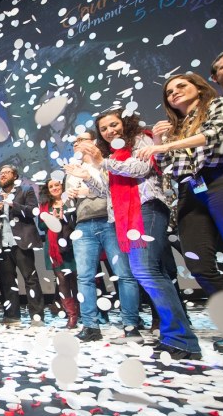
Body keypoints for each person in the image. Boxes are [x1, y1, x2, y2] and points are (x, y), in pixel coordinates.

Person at [75, 109, 201, 358]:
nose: (111, 131)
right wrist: (88, 178)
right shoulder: (110, 156)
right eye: (104, 129)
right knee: (149, 272)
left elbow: (140, 168)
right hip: (123, 217)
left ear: (125, 124)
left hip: (147, 209)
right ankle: (174, 335)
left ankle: (182, 339)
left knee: (146, 271)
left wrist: (102, 163)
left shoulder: (142, 140)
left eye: (114, 125)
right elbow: (106, 192)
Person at [137, 72, 223, 354]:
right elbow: (172, 167)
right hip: (191, 191)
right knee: (199, 264)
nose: (174, 93)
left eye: (180, 86)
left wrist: (168, 144)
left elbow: (217, 135)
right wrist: (161, 143)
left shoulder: (220, 105)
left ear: (198, 87)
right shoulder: (176, 129)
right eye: (169, 92)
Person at [64, 132, 141, 343]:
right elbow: (69, 203)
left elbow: (112, 191)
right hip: (83, 224)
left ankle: (131, 325)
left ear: (94, 142)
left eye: (82, 139)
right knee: (84, 277)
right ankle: (90, 325)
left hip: (110, 221)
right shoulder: (70, 172)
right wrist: (68, 199)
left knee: (124, 274)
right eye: (74, 141)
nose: (77, 143)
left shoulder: (106, 162)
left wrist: (88, 188)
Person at [0, 164, 45, 326]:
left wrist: (11, 205)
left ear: (15, 176)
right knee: (7, 281)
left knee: (30, 280)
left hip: (22, 241)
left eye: (6, 172)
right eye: (1, 173)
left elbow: (33, 211)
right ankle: (12, 315)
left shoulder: (26, 190)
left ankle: (37, 316)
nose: (2, 175)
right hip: (3, 243)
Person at [38, 178, 79, 329]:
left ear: (63, 186)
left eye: (57, 185)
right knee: (61, 280)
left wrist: (65, 217)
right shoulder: (44, 206)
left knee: (75, 279)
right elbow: (41, 226)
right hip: (53, 247)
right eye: (51, 186)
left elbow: (77, 221)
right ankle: (71, 315)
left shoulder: (71, 200)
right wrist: (51, 220)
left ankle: (80, 311)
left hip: (71, 243)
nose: (54, 188)